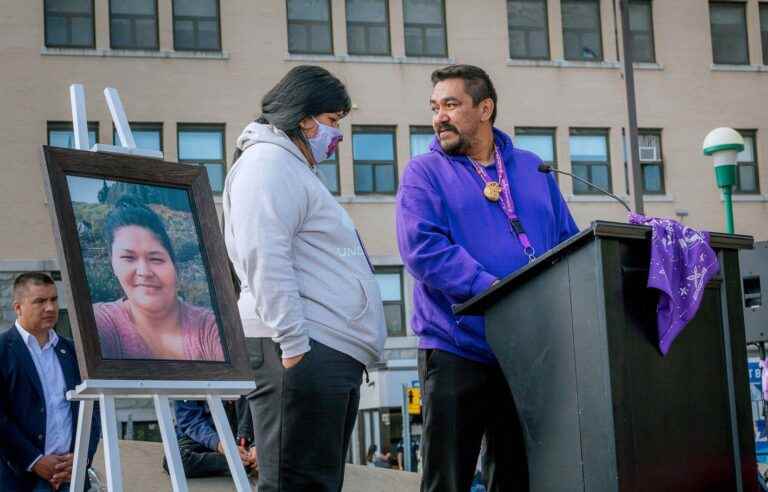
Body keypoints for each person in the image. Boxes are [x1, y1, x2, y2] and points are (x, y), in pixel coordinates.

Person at [396, 64, 579, 492]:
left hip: (527, 351)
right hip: (457, 347)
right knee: (448, 480)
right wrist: (494, 291)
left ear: (485, 108)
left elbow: (567, 244)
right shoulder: (424, 172)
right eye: (435, 107)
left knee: (516, 477)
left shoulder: (534, 169)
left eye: (451, 104)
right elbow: (423, 250)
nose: (439, 115)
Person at [223, 65, 387, 491]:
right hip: (298, 351)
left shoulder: (292, 168)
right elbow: (266, 256)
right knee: (295, 484)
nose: (338, 135)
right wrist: (294, 346)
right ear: (303, 117)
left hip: (322, 352)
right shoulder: (268, 164)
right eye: (333, 122)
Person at [0, 272, 101, 491]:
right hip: (20, 478)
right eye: (40, 301)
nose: (50, 308)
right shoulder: (3, 351)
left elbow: (93, 409)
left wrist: (81, 457)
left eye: (54, 299)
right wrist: (34, 460)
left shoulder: (75, 352)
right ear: (18, 308)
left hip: (70, 478)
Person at [93, 195, 224, 361]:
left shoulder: (209, 328)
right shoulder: (100, 322)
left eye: (156, 259)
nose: (144, 272)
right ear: (113, 264)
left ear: (174, 266)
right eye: (128, 258)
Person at [164, 400, 257, 478]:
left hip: (244, 437)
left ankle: (243, 460)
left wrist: (258, 444)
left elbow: (266, 408)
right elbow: (189, 420)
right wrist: (220, 444)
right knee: (173, 460)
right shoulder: (186, 380)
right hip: (202, 435)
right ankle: (239, 462)